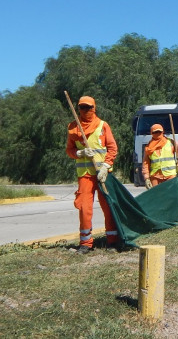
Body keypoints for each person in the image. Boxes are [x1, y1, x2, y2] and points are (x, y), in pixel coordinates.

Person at [65, 96, 119, 254]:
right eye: (82, 107)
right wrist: (80, 152)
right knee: (84, 208)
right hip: (85, 175)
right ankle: (86, 243)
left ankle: (113, 241)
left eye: (88, 107)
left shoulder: (102, 125)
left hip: (102, 174)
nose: (85, 110)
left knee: (108, 206)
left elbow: (112, 148)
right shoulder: (73, 127)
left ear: (94, 108)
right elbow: (69, 150)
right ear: (78, 108)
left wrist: (106, 166)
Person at [141, 124, 178, 189]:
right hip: (155, 177)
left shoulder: (170, 142)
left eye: (159, 132)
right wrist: (146, 178)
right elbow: (145, 163)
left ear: (162, 132)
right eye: (155, 132)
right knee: (157, 197)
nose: (157, 134)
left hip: (170, 176)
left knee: (170, 195)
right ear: (151, 133)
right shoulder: (148, 147)